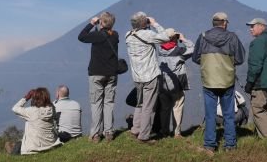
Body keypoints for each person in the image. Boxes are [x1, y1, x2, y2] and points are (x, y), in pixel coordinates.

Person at [193, 12, 245, 153]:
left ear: (213, 23)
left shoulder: (203, 37)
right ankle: (230, 145)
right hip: (227, 80)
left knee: (210, 114)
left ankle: (210, 145)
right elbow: (240, 59)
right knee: (229, 114)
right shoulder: (232, 37)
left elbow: (196, 58)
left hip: (209, 80)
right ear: (224, 23)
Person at [126, 11, 170, 144]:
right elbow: (165, 37)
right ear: (144, 23)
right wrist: (155, 23)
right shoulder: (148, 34)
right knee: (148, 106)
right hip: (150, 75)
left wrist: (145, 24)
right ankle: (144, 136)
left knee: (139, 104)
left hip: (137, 76)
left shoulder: (127, 35)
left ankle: (135, 129)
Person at [78, 12, 119, 143]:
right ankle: (109, 132)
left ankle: (95, 134)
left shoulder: (97, 35)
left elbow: (81, 37)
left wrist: (91, 24)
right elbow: (107, 33)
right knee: (108, 103)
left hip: (96, 73)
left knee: (96, 104)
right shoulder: (115, 35)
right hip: (112, 73)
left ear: (101, 22)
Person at [245, 18, 267, 140]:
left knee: (258, 110)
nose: (250, 29)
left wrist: (249, 82)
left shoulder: (259, 41)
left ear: (261, 26)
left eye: (252, 26)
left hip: (261, 83)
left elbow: (255, 65)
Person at [157, 28, 194, 138]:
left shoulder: (159, 50)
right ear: (174, 39)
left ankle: (164, 131)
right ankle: (176, 132)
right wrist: (183, 39)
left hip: (162, 84)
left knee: (164, 108)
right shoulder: (179, 51)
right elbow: (192, 48)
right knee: (177, 106)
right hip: (176, 84)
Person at [12, 87, 62, 155]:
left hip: (33, 148)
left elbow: (15, 108)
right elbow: (49, 104)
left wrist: (27, 97)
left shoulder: (31, 111)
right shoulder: (51, 109)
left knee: (17, 145)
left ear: (35, 98)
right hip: (51, 145)